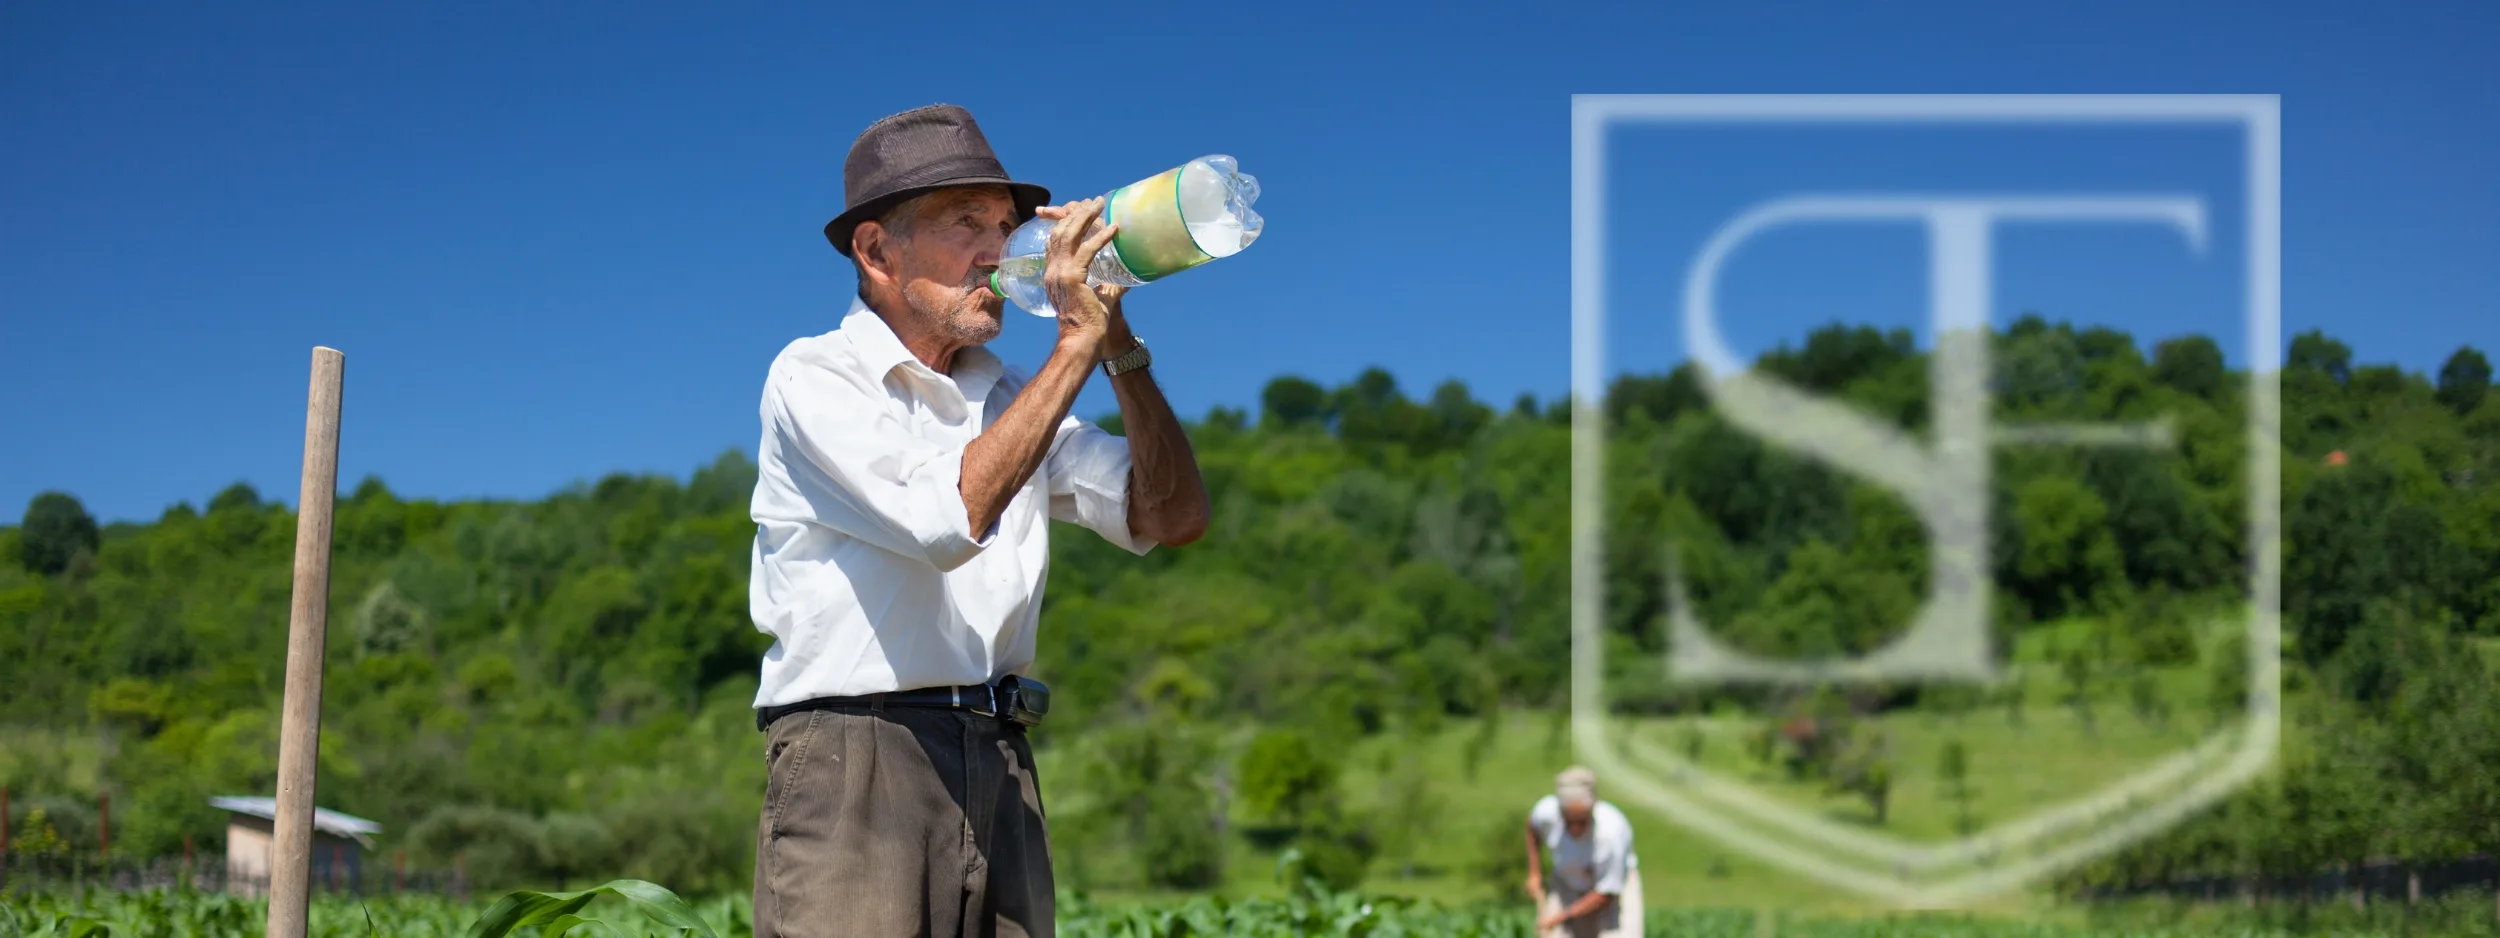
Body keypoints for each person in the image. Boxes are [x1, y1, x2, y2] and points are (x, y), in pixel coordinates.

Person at [744, 103, 1211, 938]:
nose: (1001, 252)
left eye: (1005, 224)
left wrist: (1116, 343)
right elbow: (947, 522)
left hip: (1001, 755)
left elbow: (1170, 515)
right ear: (877, 251)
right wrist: (1072, 343)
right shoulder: (814, 377)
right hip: (859, 756)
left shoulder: (1007, 397)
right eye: (968, 224)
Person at [1524, 766, 1645, 938]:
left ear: (1592, 808)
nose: (1575, 828)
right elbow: (1532, 828)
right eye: (1569, 820)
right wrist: (1534, 873)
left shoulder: (1611, 833)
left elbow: (1606, 893)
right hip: (1566, 882)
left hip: (1612, 890)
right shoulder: (1547, 812)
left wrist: (1561, 917)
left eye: (1581, 821)